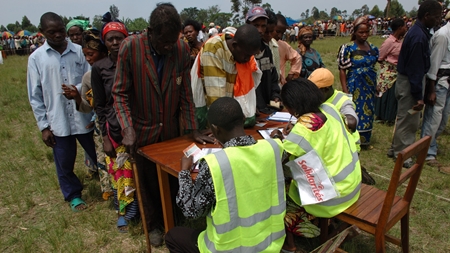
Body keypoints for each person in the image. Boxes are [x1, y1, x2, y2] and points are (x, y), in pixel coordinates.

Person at [112, 3, 214, 246]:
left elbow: (185, 93)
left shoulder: (180, 49)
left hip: (170, 130)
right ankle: (154, 224)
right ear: (150, 32)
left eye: (173, 40)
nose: (169, 46)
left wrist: (193, 130)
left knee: (172, 176)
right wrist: (127, 127)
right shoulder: (131, 48)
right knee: (146, 181)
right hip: (141, 130)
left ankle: (175, 218)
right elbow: (119, 93)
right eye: (164, 42)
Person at [165, 97, 286, 253]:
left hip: (229, 249)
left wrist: (184, 173)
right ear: (243, 119)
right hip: (271, 245)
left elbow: (191, 210)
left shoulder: (215, 164)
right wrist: (276, 137)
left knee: (173, 236)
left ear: (215, 129)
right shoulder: (274, 148)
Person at [271, 79, 361, 253]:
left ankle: (291, 244)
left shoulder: (305, 127)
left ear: (293, 107)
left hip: (333, 198)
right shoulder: (330, 109)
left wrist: (277, 138)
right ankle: (331, 226)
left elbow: (281, 155)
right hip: (352, 186)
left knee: (278, 186)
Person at [27, 12, 95, 212]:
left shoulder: (80, 52)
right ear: (42, 32)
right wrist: (44, 126)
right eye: (52, 32)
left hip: (84, 116)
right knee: (64, 161)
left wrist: (77, 91)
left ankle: (109, 187)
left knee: (98, 155)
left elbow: (90, 81)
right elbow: (35, 95)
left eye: (60, 31)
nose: (58, 35)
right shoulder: (36, 58)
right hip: (58, 121)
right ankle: (73, 195)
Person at [61, 29, 113, 200]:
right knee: (105, 160)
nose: (88, 59)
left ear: (104, 52)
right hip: (102, 127)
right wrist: (76, 97)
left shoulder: (118, 71)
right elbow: (86, 107)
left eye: (91, 54)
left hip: (120, 124)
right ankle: (112, 195)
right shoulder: (88, 78)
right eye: (85, 55)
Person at [389, 0, 442, 168]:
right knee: (409, 120)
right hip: (411, 83)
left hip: (408, 80)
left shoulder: (418, 32)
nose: (438, 20)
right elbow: (416, 70)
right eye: (436, 17)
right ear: (426, 16)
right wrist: (419, 96)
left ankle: (395, 148)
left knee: (404, 117)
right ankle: (402, 153)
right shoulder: (419, 37)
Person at [191, 24, 262, 129]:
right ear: (234, 46)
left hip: (226, 116)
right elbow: (216, 100)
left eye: (251, 56)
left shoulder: (243, 50)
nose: (248, 60)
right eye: (246, 55)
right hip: (212, 119)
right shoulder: (214, 48)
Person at [337, 15, 379, 150]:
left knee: (368, 110)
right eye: (361, 32)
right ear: (354, 32)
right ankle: (353, 139)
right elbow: (342, 70)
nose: (364, 35)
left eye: (366, 32)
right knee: (355, 110)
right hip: (355, 84)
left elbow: (374, 65)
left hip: (369, 84)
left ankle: (365, 139)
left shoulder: (373, 48)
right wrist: (345, 90)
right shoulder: (348, 48)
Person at [420, 10, 450, 168]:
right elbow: (434, 65)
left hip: (448, 81)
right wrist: (431, 89)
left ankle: (431, 145)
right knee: (434, 118)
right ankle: (427, 151)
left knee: (443, 119)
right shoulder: (443, 36)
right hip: (439, 82)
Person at [246, 6, 281, 114]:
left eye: (263, 26)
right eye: (256, 25)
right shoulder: (241, 52)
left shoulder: (266, 50)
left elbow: (273, 78)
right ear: (247, 25)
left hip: (266, 109)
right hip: (249, 111)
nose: (260, 30)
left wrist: (275, 97)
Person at [375, 18, 407, 125]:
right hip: (388, 72)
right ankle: (382, 116)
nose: (406, 28)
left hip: (397, 72)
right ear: (399, 28)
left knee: (393, 96)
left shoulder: (400, 41)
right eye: (404, 26)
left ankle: (390, 116)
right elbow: (380, 56)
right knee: (385, 94)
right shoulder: (389, 41)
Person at [273, 14, 301, 85]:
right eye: (277, 31)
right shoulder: (259, 46)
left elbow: (297, 58)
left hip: (278, 86)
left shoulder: (283, 45)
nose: (280, 36)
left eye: (282, 33)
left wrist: (291, 74)